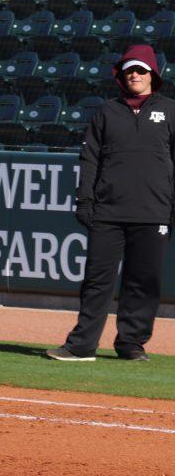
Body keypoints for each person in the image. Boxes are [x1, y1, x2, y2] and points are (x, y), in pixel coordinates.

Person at [47, 44, 175, 362]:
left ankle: (131, 344)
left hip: (154, 211)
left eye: (141, 69)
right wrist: (85, 200)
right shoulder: (106, 111)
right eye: (130, 69)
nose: (135, 74)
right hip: (108, 211)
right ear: (121, 75)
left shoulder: (171, 111)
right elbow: (90, 160)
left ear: (153, 74)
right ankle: (82, 345)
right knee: (96, 281)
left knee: (143, 282)